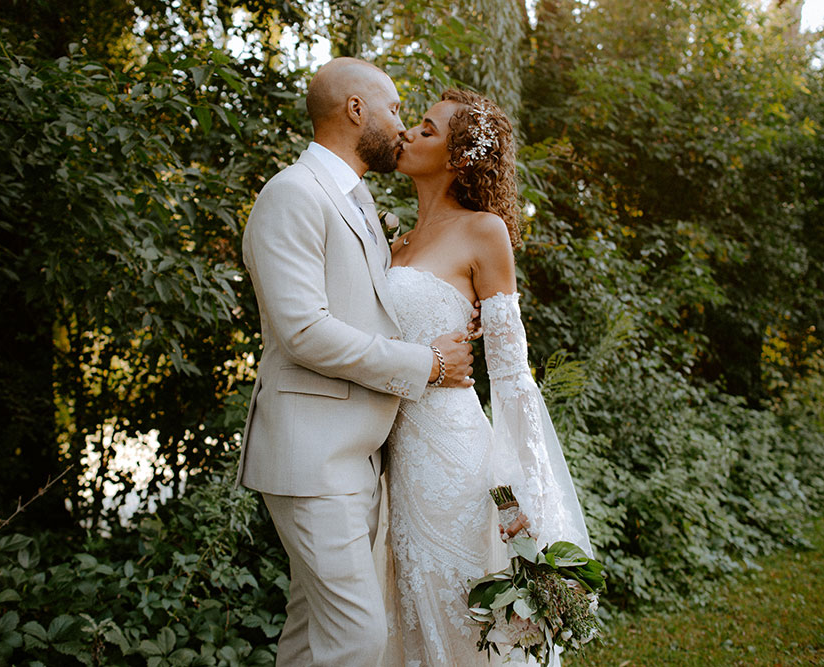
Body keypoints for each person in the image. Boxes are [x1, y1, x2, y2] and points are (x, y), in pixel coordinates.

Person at [237, 59, 481, 666]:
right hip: (313, 455)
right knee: (359, 639)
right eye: (395, 109)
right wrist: (424, 362)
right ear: (355, 110)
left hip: (359, 455)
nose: (401, 125)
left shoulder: (359, 201)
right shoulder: (292, 194)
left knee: (309, 635)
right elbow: (304, 331)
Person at [381, 89, 593, 665]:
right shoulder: (389, 240)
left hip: (454, 457)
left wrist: (522, 484)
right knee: (411, 617)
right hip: (389, 458)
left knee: (463, 615)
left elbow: (510, 373)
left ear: (457, 159)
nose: (408, 134)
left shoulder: (484, 232)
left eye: (426, 130)